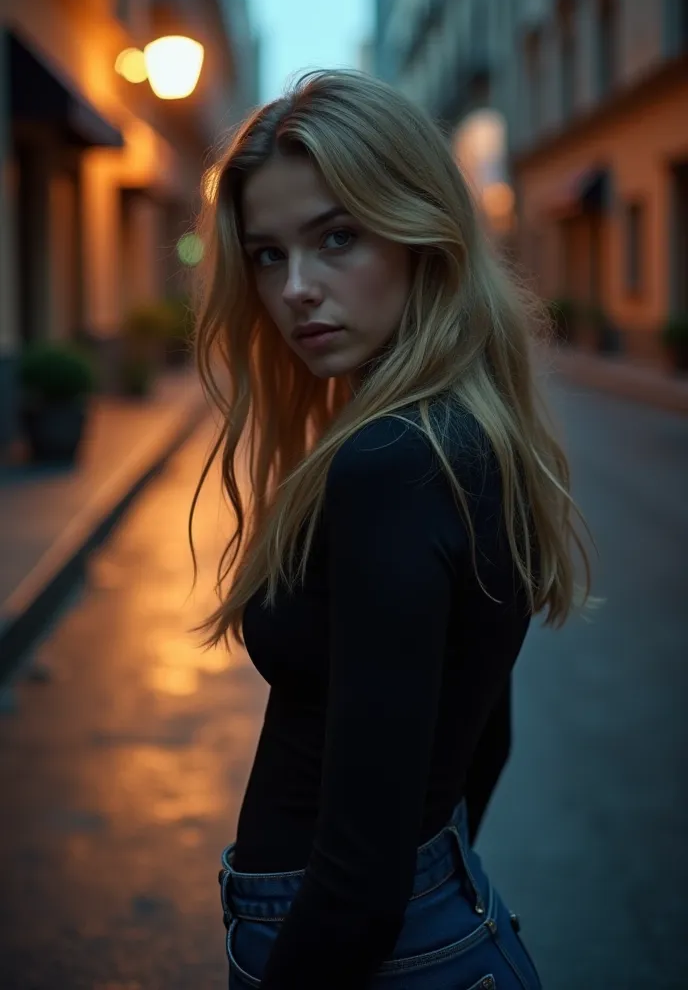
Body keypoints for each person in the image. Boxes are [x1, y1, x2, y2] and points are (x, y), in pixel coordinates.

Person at [189, 69, 594, 989]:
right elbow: (484, 733)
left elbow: (360, 882)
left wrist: (401, 915)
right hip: (426, 932)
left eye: (338, 238)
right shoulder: (461, 434)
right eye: (266, 254)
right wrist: (431, 893)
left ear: (425, 236)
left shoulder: (392, 465)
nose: (296, 289)